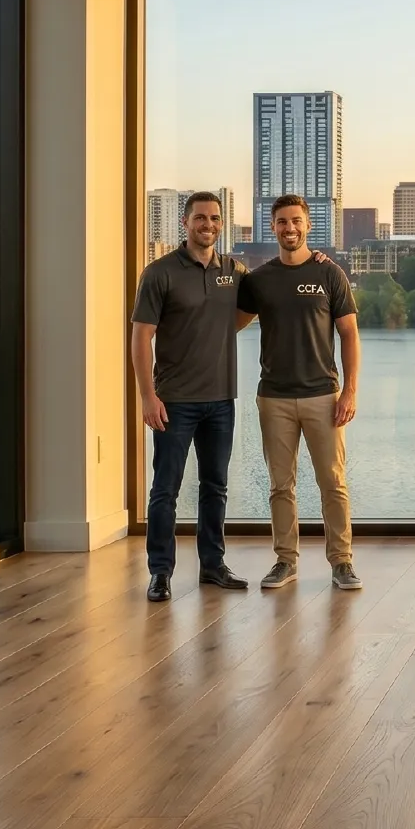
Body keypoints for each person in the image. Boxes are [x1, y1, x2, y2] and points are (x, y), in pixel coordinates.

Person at [131, 190, 253, 602]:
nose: (208, 225)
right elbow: (141, 337)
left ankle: (212, 566)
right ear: (185, 223)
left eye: (215, 218)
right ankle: (160, 572)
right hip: (174, 400)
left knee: (214, 486)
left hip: (221, 400)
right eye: (200, 218)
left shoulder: (233, 270)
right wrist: (147, 396)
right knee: (165, 488)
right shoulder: (159, 273)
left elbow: (251, 306)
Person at [236, 194, 363, 591]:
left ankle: (341, 562)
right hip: (273, 397)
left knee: (333, 482)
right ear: (271, 227)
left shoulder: (331, 274)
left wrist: (349, 392)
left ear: (307, 225)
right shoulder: (259, 279)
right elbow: (229, 325)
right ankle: (285, 561)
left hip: (323, 396)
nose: (289, 228)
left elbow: (349, 334)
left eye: (296, 221)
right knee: (280, 484)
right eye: (281, 222)